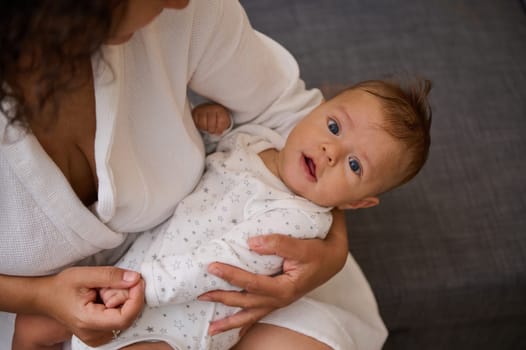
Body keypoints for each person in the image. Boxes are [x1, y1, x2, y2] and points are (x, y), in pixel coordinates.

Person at [0, 0, 368, 349]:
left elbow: (290, 114)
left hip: (208, 303)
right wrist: (37, 296)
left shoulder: (186, 11)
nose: (180, 3)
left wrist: (332, 251)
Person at [14, 77, 432, 350]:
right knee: (29, 330)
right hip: (134, 265)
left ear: (357, 203)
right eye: (334, 128)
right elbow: (195, 165)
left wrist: (143, 288)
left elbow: (220, 265)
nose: (330, 151)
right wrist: (207, 129)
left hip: (178, 316)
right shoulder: (256, 139)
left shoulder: (300, 223)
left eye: (355, 166)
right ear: (314, 110)